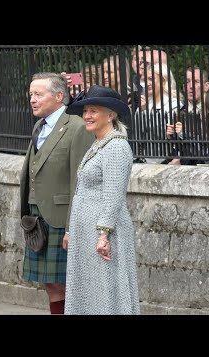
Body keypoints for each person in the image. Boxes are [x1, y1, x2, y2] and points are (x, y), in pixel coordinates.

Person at [20, 72, 94, 314]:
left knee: (67, 284)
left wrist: (73, 227)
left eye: (38, 94)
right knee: (50, 283)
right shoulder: (39, 126)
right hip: (37, 218)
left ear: (59, 96)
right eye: (31, 94)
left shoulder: (77, 127)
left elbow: (78, 181)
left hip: (61, 218)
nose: (32, 99)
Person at [64, 85, 140, 315]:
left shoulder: (116, 147)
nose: (87, 116)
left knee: (107, 289)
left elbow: (113, 195)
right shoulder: (99, 144)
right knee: (90, 289)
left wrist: (103, 234)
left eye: (94, 111)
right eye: (86, 110)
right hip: (87, 230)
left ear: (111, 114)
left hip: (104, 233)